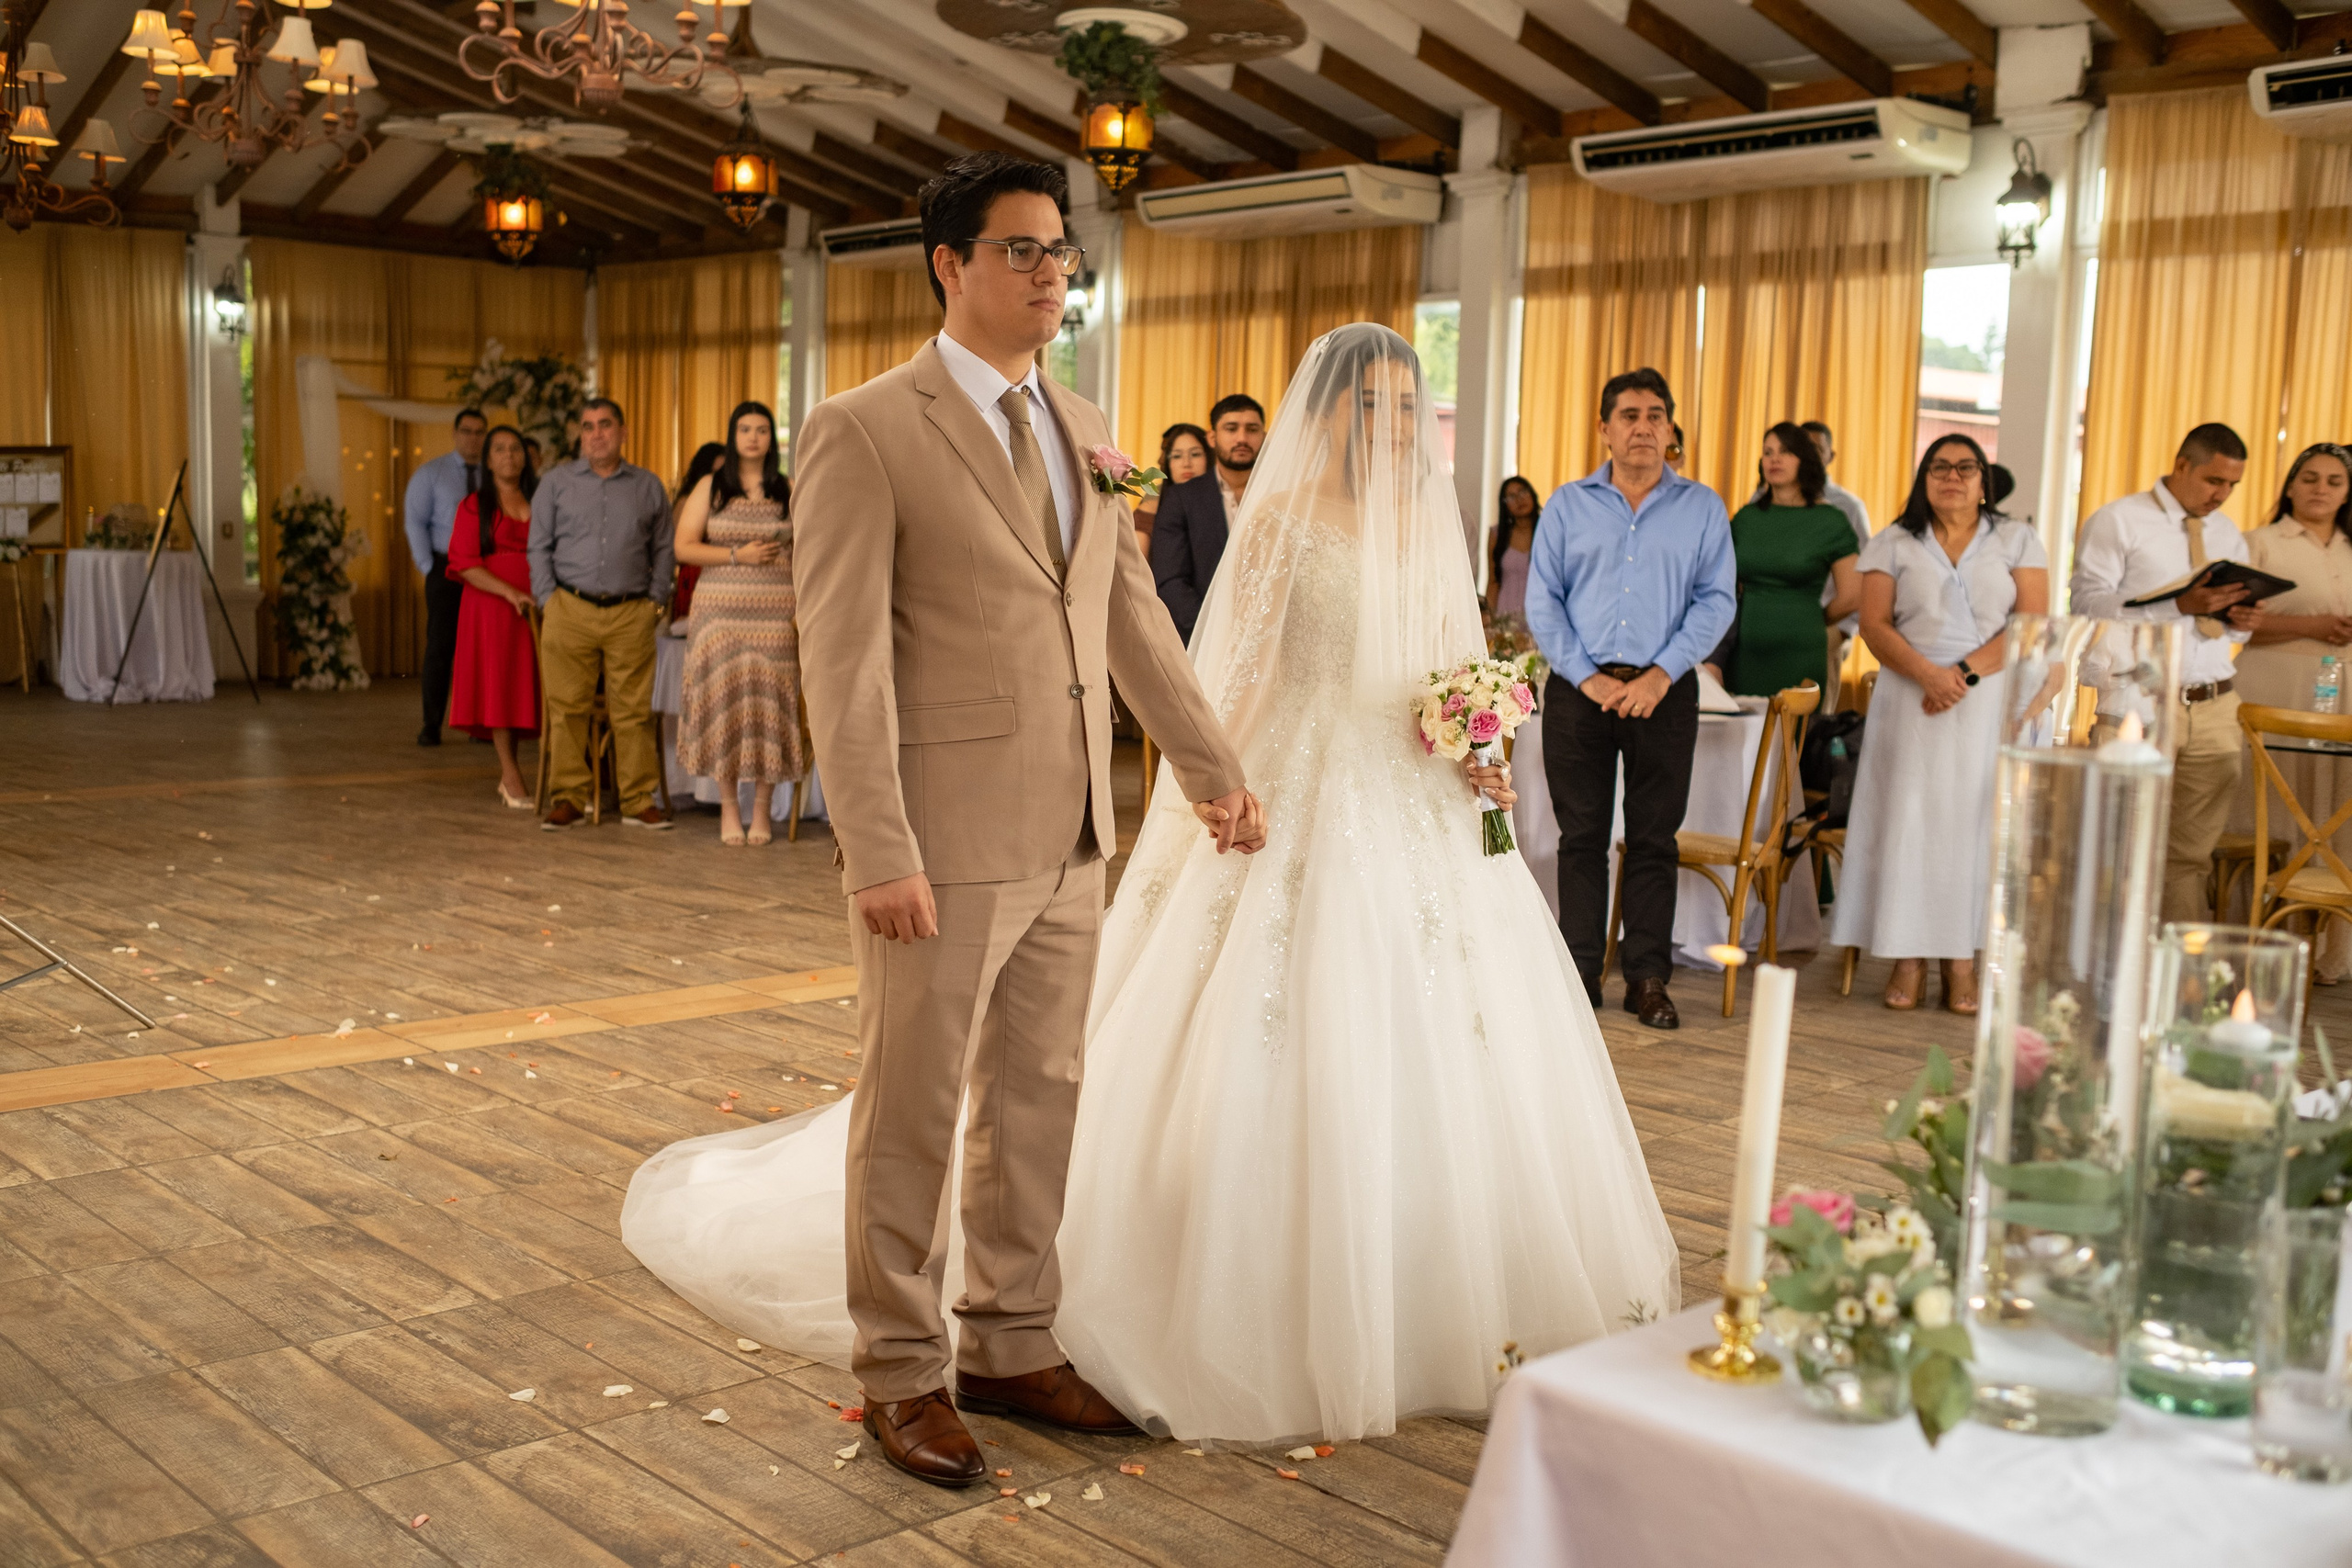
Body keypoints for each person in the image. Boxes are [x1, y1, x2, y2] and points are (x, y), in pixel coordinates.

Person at [620, 322, 1680, 1450]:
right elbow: (1236, 672)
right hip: (1289, 788)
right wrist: (1220, 789)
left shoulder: (1421, 519)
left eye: (1408, 411)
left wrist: (1472, 738)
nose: (1392, 430)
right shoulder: (1277, 519)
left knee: (1447, 1040)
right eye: (1369, 407)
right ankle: (951, 1340)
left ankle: (1403, 1280)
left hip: (1415, 803)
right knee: (1064, 1065)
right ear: (1326, 415)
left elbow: (1434, 668)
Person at [667, 151, 1262, 1485]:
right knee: (914, 1109)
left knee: (1039, 1099)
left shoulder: (1087, 420)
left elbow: (1124, 613)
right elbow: (845, 655)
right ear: (950, 263)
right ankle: (899, 1369)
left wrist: (1210, 765)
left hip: (1072, 832)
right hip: (936, 838)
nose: (1053, 274)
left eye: (1062, 253)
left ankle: (1009, 1335)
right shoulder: (866, 426)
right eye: (1025, 251)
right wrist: (875, 844)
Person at [1526, 367, 1736, 1031]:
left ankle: (1647, 979)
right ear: (1604, 428)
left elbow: (1717, 601)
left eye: (1655, 415)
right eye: (1628, 414)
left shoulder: (1703, 507)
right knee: (1580, 836)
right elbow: (1543, 599)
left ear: (1671, 429)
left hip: (1664, 690)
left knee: (1652, 839)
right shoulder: (1566, 504)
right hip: (1577, 690)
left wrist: (1659, 675)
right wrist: (1588, 677)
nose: (1642, 426)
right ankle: (1580, 971)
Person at [1829, 434, 2048, 1012]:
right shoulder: (1894, 541)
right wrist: (1928, 675)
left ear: (1984, 481)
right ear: (1924, 477)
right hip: (1910, 695)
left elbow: (2033, 624)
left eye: (1965, 467)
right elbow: (1874, 625)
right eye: (1939, 467)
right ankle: (1907, 956)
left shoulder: (2017, 538)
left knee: (1975, 830)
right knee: (1912, 823)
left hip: (1987, 701)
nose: (1952, 476)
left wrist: (1962, 676)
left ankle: (1963, 960)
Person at [2071, 423, 2262, 922]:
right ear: (2182, 465)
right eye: (2213, 481)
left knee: (2190, 857)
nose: (2222, 496)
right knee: (2120, 851)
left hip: (2215, 703)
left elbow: (2225, 633)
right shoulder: (2119, 520)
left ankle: (2181, 985)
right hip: (2141, 696)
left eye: (2232, 486)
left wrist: (2242, 622)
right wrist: (2174, 604)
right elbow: (2089, 602)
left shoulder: (2226, 533)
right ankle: (2106, 980)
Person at [528, 397, 675, 831]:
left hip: (632, 611)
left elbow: (664, 549)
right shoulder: (555, 483)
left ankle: (636, 800)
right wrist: (547, 600)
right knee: (567, 708)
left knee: (632, 712)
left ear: (623, 432)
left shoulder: (648, 486)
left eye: (605, 424)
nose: (596, 434)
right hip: (569, 608)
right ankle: (570, 798)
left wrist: (655, 602)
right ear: (580, 433)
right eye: (588, 426)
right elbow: (538, 547)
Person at [2233, 442, 2352, 972]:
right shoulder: (2258, 543)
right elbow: (2236, 622)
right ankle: (2252, 945)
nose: (2320, 489)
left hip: (2342, 689)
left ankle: (2325, 951)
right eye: (2310, 478)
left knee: (2330, 810)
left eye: (2333, 481)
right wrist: (2311, 626)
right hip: (2270, 683)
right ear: (2289, 485)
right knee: (2272, 806)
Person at [673, 401, 801, 848]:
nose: (753, 437)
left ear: (772, 438)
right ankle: (729, 808)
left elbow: (809, 543)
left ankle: (762, 810)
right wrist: (736, 555)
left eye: (762, 429)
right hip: (720, 615)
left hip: (776, 612)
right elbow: (683, 547)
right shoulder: (712, 486)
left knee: (771, 708)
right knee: (724, 704)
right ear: (733, 434)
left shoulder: (787, 487)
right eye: (744, 429)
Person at [1724, 423, 1860, 697]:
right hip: (1743, 650)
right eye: (1768, 452)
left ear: (1806, 460)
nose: (1774, 459)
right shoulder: (1745, 518)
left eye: (1785, 452)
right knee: (1745, 737)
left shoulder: (1831, 520)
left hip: (1801, 650)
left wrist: (1809, 618)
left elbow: (1853, 594)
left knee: (1795, 738)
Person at [446, 425, 541, 809]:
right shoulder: (473, 505)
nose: (509, 456)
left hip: (537, 605)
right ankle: (510, 772)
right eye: (499, 449)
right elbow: (464, 564)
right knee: (500, 685)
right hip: (491, 607)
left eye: (515, 448)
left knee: (528, 683)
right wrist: (509, 592)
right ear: (488, 460)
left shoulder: (543, 499)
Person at [403, 407, 489, 747]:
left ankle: (479, 723)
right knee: (440, 646)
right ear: (455, 434)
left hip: (485, 570)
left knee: (482, 648)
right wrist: (428, 566)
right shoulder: (432, 473)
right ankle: (431, 723)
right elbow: (415, 521)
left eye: (479, 431)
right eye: (467, 431)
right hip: (445, 568)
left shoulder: (494, 475)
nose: (473, 438)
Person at [1151, 393, 1265, 642]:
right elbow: (1170, 580)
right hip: (1203, 640)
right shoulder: (1181, 498)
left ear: (1264, 436)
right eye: (1231, 428)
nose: (1242, 438)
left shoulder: (1283, 494)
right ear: (1212, 437)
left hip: (1271, 640)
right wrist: (1215, 635)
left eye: (1252, 429)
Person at [669, 441, 727, 624]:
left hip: (723, 576)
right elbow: (676, 551)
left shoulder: (726, 500)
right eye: (715, 473)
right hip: (694, 577)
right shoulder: (687, 501)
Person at [1132, 422, 1207, 559]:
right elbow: (1137, 567)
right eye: (1177, 456)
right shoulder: (1152, 504)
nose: (1186, 464)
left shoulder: (1225, 500)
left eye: (1195, 454)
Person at [1487, 475, 1542, 618]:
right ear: (1505, 505)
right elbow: (1493, 582)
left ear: (1532, 494)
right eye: (1511, 497)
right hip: (1505, 616)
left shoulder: (1548, 531)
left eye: (1523, 492)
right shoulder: (1497, 535)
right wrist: (1489, 619)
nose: (1519, 499)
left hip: (1540, 616)